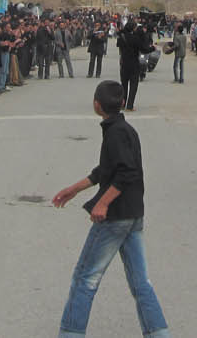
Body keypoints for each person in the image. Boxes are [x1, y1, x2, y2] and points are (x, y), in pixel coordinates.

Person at [51, 81, 170, 337]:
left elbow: (127, 172)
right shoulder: (124, 129)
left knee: (85, 278)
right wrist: (75, 189)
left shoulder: (116, 133)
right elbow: (106, 170)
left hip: (116, 217)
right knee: (140, 282)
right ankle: (159, 333)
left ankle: (70, 333)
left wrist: (103, 202)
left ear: (96, 105)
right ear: (123, 103)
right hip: (133, 215)